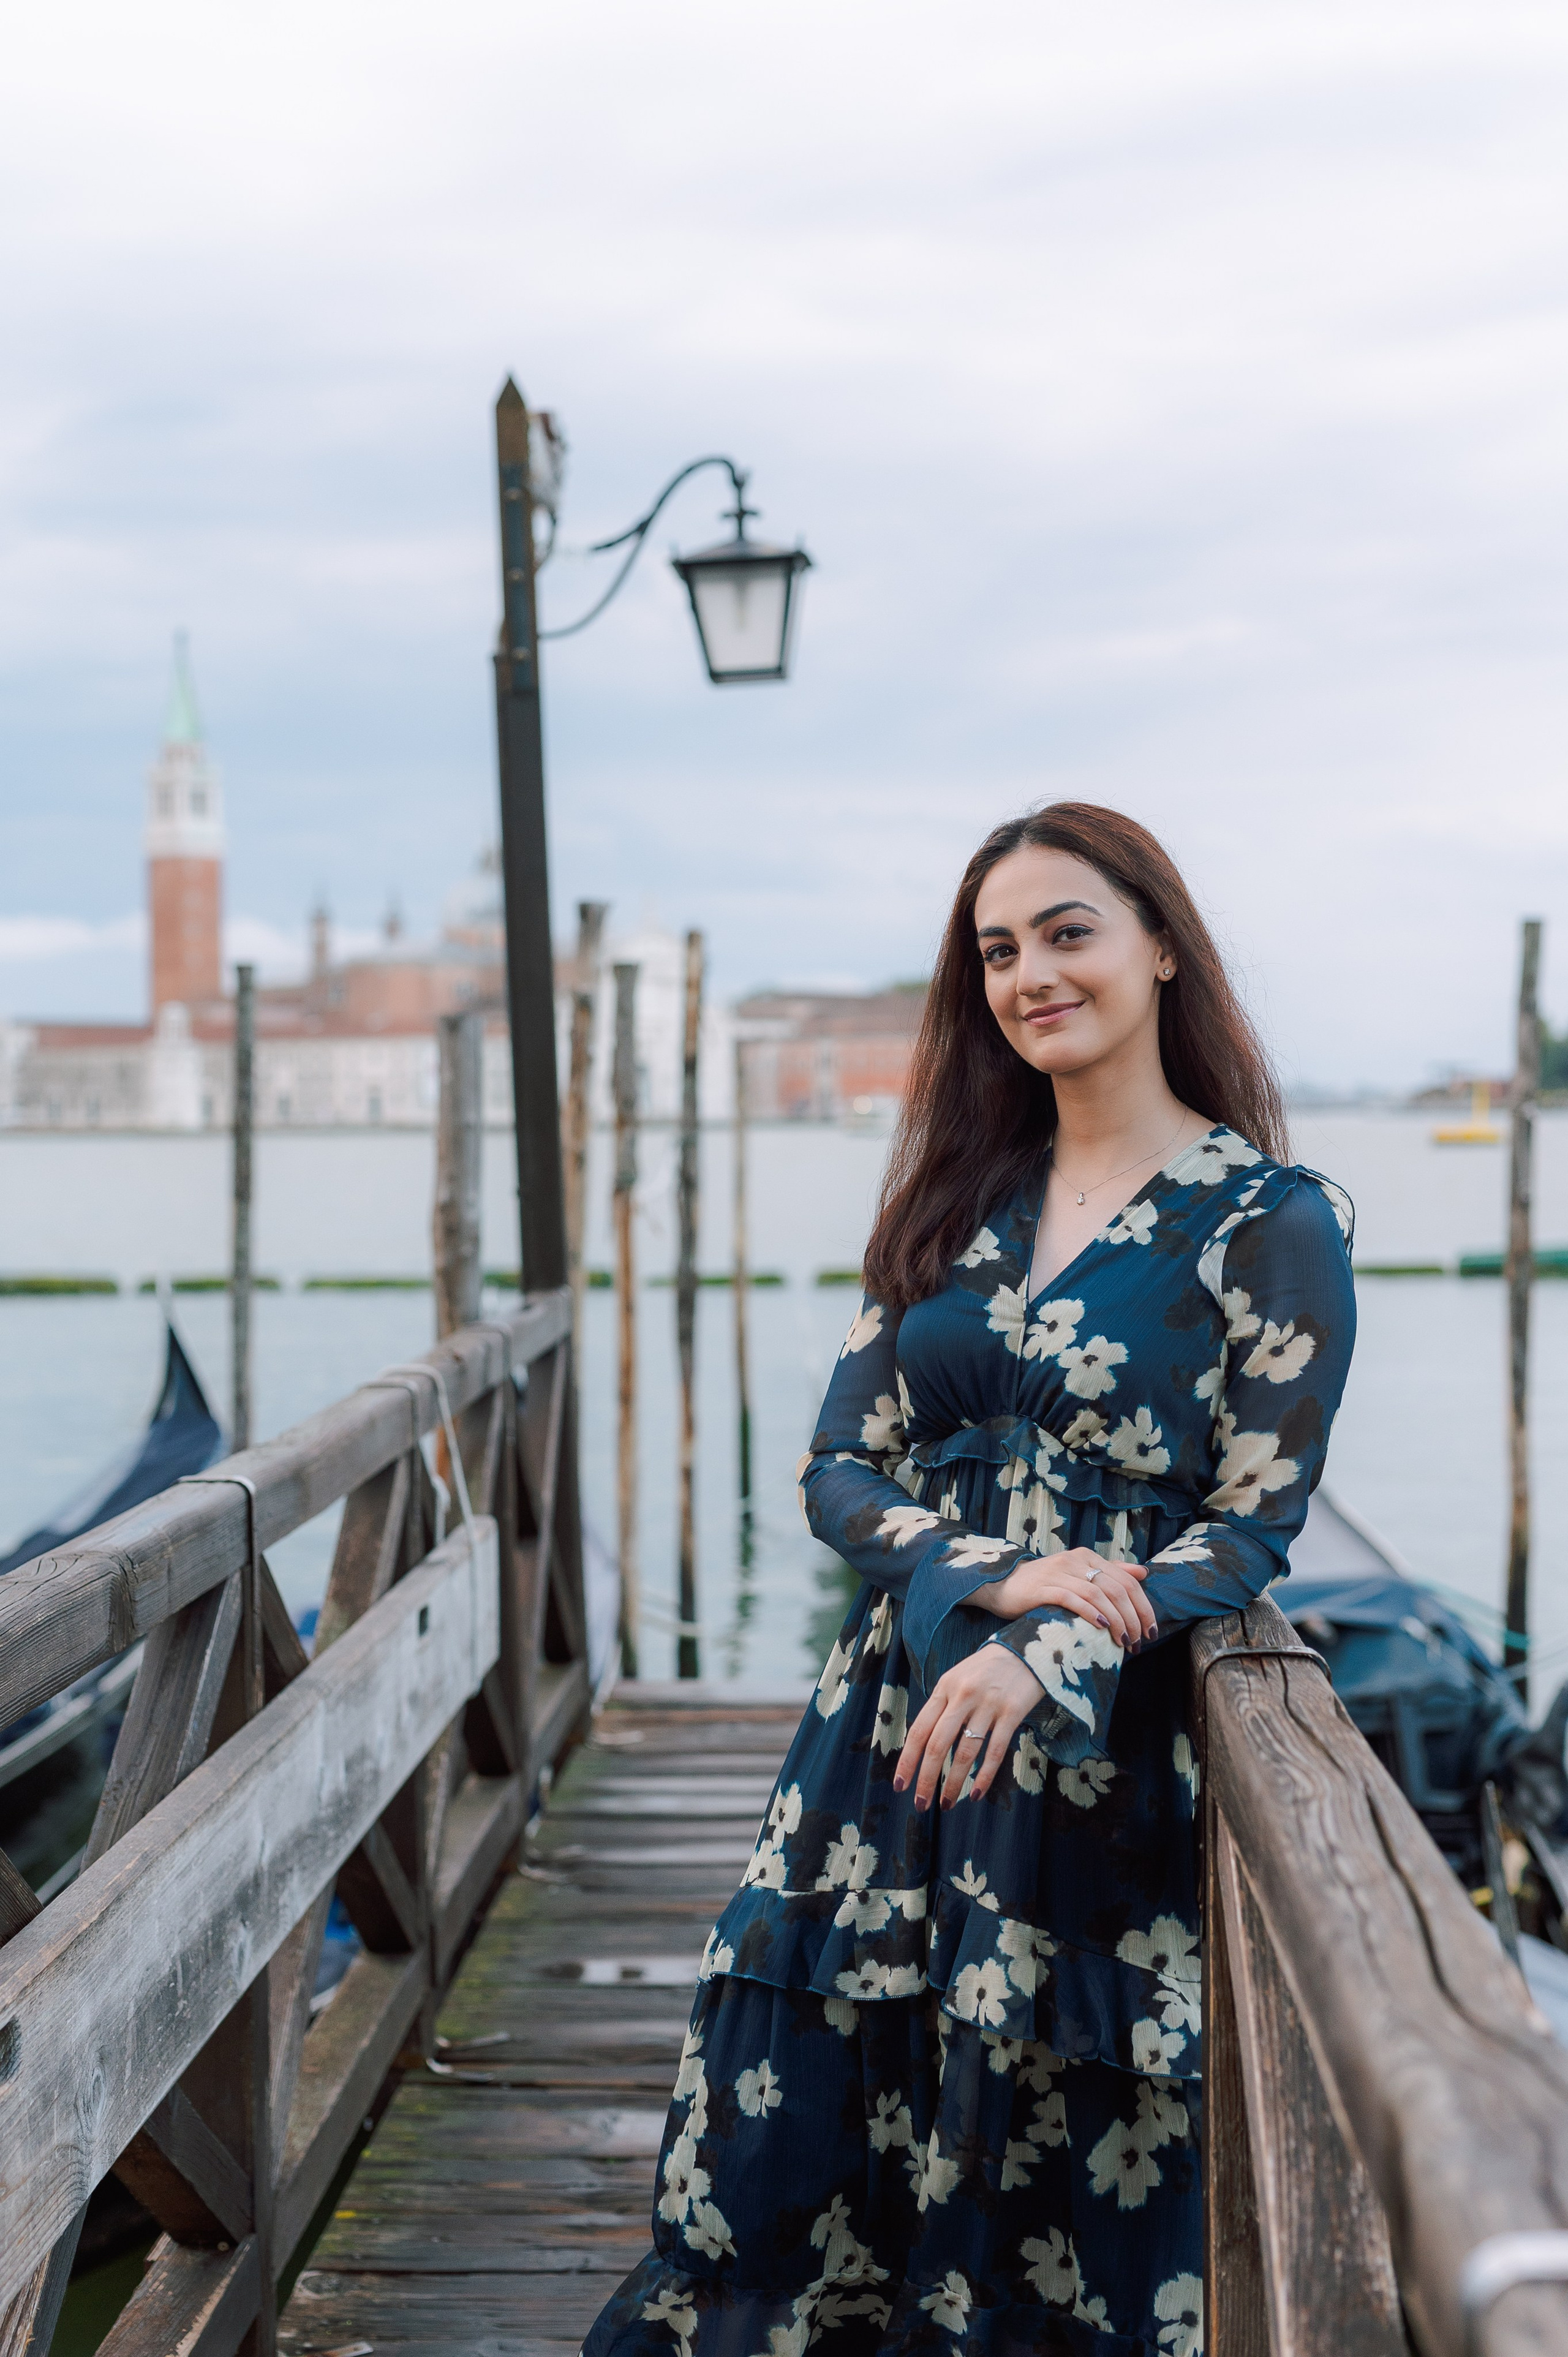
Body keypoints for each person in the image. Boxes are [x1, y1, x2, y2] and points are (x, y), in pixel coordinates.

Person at [584, 802, 1355, 2357]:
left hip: (1091, 1750)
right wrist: (997, 1579)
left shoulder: (1267, 1221)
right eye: (997, 951)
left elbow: (1246, 1529)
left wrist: (1046, 1648)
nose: (1028, 975)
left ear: (1158, 946)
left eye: (1066, 933)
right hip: (887, 1729)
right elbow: (838, 1467)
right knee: (800, 2134)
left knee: (1038, 2160)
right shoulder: (955, 1198)